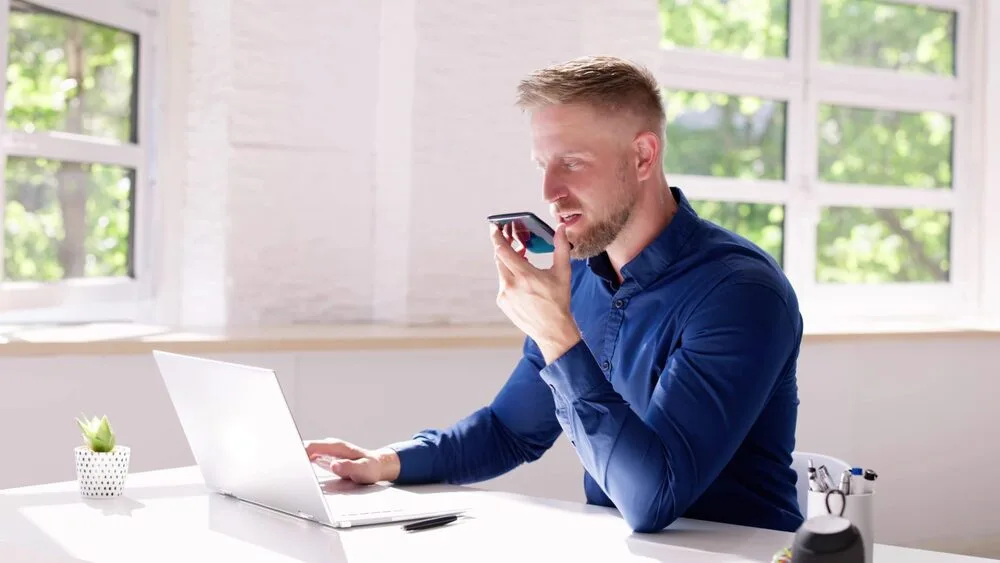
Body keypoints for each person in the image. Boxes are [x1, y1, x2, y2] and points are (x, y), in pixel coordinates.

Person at [306, 55, 804, 534]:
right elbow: (510, 429)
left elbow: (653, 499)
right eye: (543, 163)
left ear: (643, 156)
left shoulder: (741, 293)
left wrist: (556, 334)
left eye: (571, 162)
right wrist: (386, 462)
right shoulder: (584, 274)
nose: (548, 190)